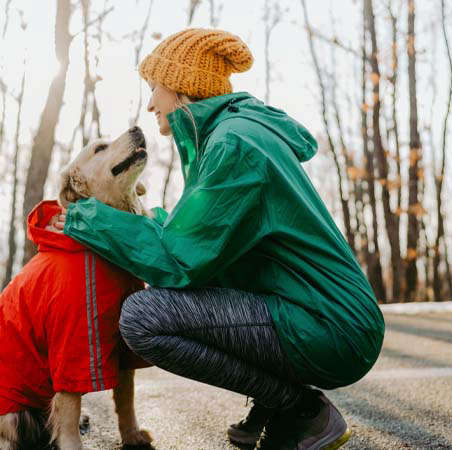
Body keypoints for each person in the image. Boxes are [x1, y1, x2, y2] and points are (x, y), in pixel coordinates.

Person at [51, 28, 384, 449]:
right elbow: (202, 245)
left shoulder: (235, 144)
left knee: (143, 318)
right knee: (196, 292)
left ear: (183, 87)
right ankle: (278, 405)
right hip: (314, 312)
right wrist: (150, 221)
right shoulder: (230, 135)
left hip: (330, 326)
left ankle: (300, 408)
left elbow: (180, 262)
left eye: (155, 88)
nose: (151, 103)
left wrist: (91, 221)